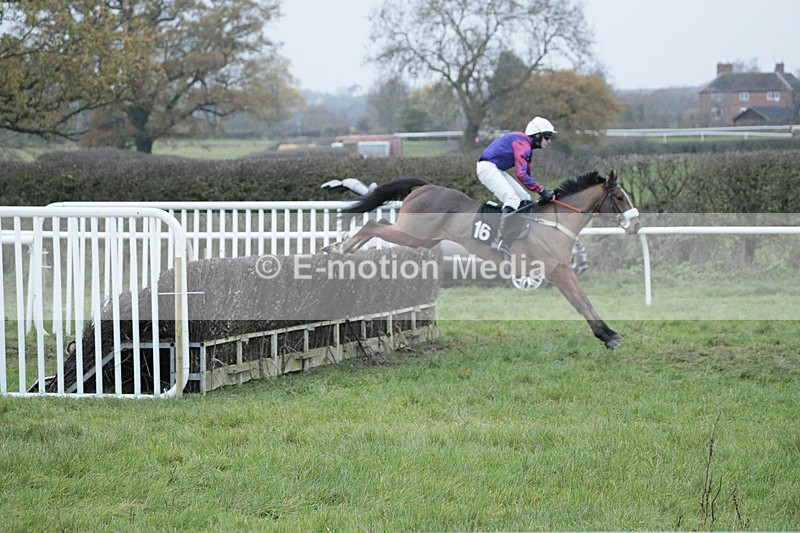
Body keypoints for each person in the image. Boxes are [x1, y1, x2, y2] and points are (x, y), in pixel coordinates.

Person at [477, 116, 557, 253]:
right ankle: (498, 239)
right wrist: (542, 191)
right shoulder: (522, 144)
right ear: (537, 135)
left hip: (495, 168)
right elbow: (522, 175)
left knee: (524, 198)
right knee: (512, 200)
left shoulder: (526, 145)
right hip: (487, 168)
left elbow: (527, 175)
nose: (549, 141)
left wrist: (541, 191)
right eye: (547, 137)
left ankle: (512, 238)